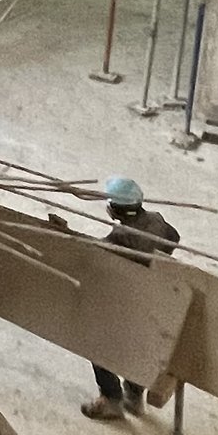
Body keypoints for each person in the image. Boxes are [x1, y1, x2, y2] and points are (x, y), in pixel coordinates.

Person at [83, 174, 181, 420]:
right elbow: (174, 237)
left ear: (115, 209)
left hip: (126, 299)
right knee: (140, 345)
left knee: (94, 339)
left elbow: (97, 252)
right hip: (153, 298)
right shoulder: (157, 220)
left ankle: (111, 399)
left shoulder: (122, 236)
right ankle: (134, 395)